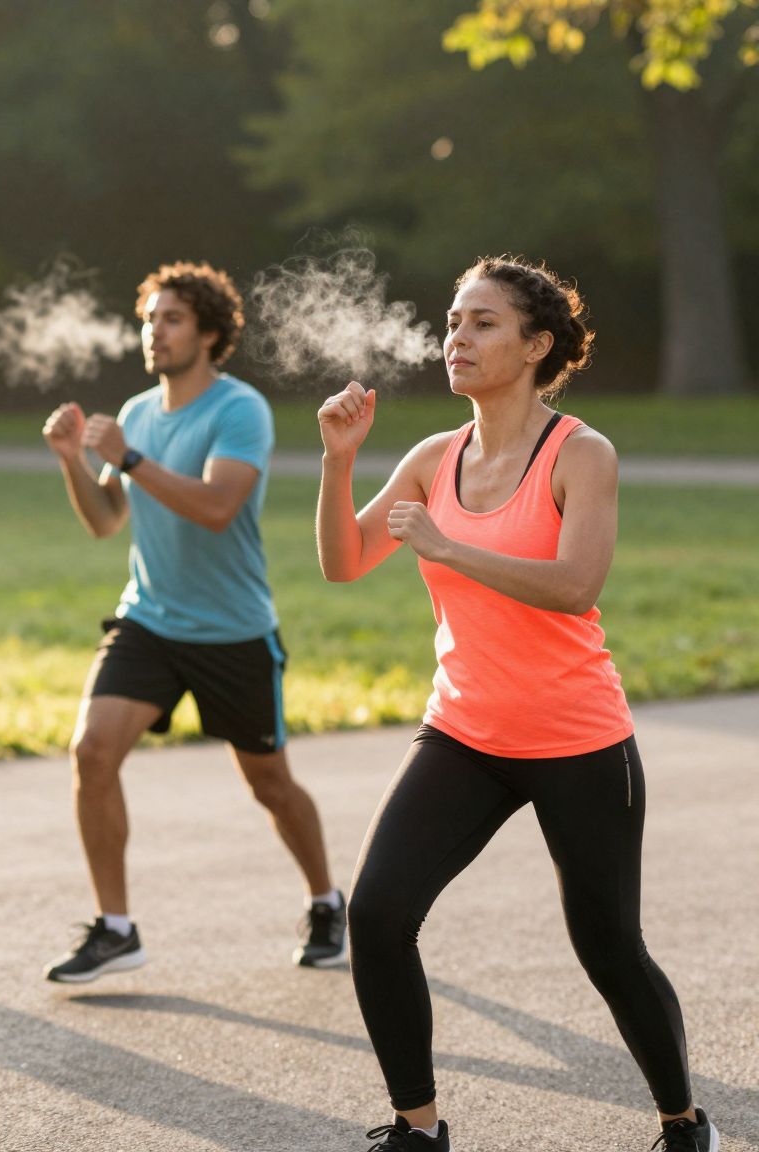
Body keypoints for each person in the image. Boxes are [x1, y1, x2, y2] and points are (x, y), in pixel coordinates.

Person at [317, 257, 718, 1151]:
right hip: (465, 730)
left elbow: (576, 585)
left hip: (577, 739)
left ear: (537, 346)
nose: (456, 338)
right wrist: (338, 463)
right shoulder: (433, 458)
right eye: (453, 321)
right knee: (378, 914)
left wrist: (451, 550)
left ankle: (685, 1124)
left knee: (608, 948)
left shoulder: (582, 453)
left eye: (483, 323)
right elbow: (343, 561)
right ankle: (417, 1131)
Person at [40, 262, 342, 983]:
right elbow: (108, 522)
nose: (155, 332)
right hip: (149, 621)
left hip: (234, 630)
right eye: (149, 319)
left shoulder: (240, 411)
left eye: (171, 319)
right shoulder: (139, 412)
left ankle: (327, 900)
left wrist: (129, 459)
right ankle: (116, 929)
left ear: (209, 333)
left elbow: (215, 508)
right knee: (92, 754)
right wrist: (71, 463)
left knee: (269, 783)